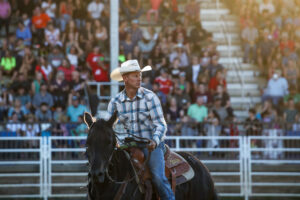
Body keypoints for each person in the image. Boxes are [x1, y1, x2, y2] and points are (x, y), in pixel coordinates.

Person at [107, 60, 175, 200]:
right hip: (126, 146)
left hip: (149, 145)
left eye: (140, 75)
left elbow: (161, 124)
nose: (139, 78)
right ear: (125, 78)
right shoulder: (115, 102)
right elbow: (108, 127)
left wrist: (155, 141)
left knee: (157, 177)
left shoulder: (150, 97)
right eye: (135, 75)